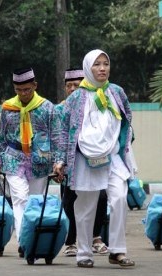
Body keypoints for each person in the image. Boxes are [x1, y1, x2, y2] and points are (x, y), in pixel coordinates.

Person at [53, 49, 137, 268]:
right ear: (87, 68)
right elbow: (63, 130)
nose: (102, 68)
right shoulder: (76, 98)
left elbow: (127, 118)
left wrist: (124, 144)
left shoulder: (117, 92)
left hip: (112, 157)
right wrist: (61, 160)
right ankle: (84, 253)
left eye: (105, 64)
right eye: (97, 64)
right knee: (86, 206)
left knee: (119, 198)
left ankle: (117, 251)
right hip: (85, 159)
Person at [0, 68, 60, 257]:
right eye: (19, 90)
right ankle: (24, 241)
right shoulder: (8, 108)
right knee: (20, 198)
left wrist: (59, 162)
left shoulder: (47, 107)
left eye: (27, 89)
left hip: (40, 160)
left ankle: (33, 239)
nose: (23, 94)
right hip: (13, 158)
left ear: (35, 86)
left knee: (35, 201)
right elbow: (1, 137)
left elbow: (57, 137)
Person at [56, 68, 109, 257]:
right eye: (68, 85)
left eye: (76, 85)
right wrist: (58, 162)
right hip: (70, 164)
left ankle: (96, 237)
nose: (72, 89)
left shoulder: (97, 103)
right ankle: (71, 241)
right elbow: (57, 137)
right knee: (69, 201)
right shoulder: (60, 108)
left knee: (101, 198)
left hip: (95, 161)